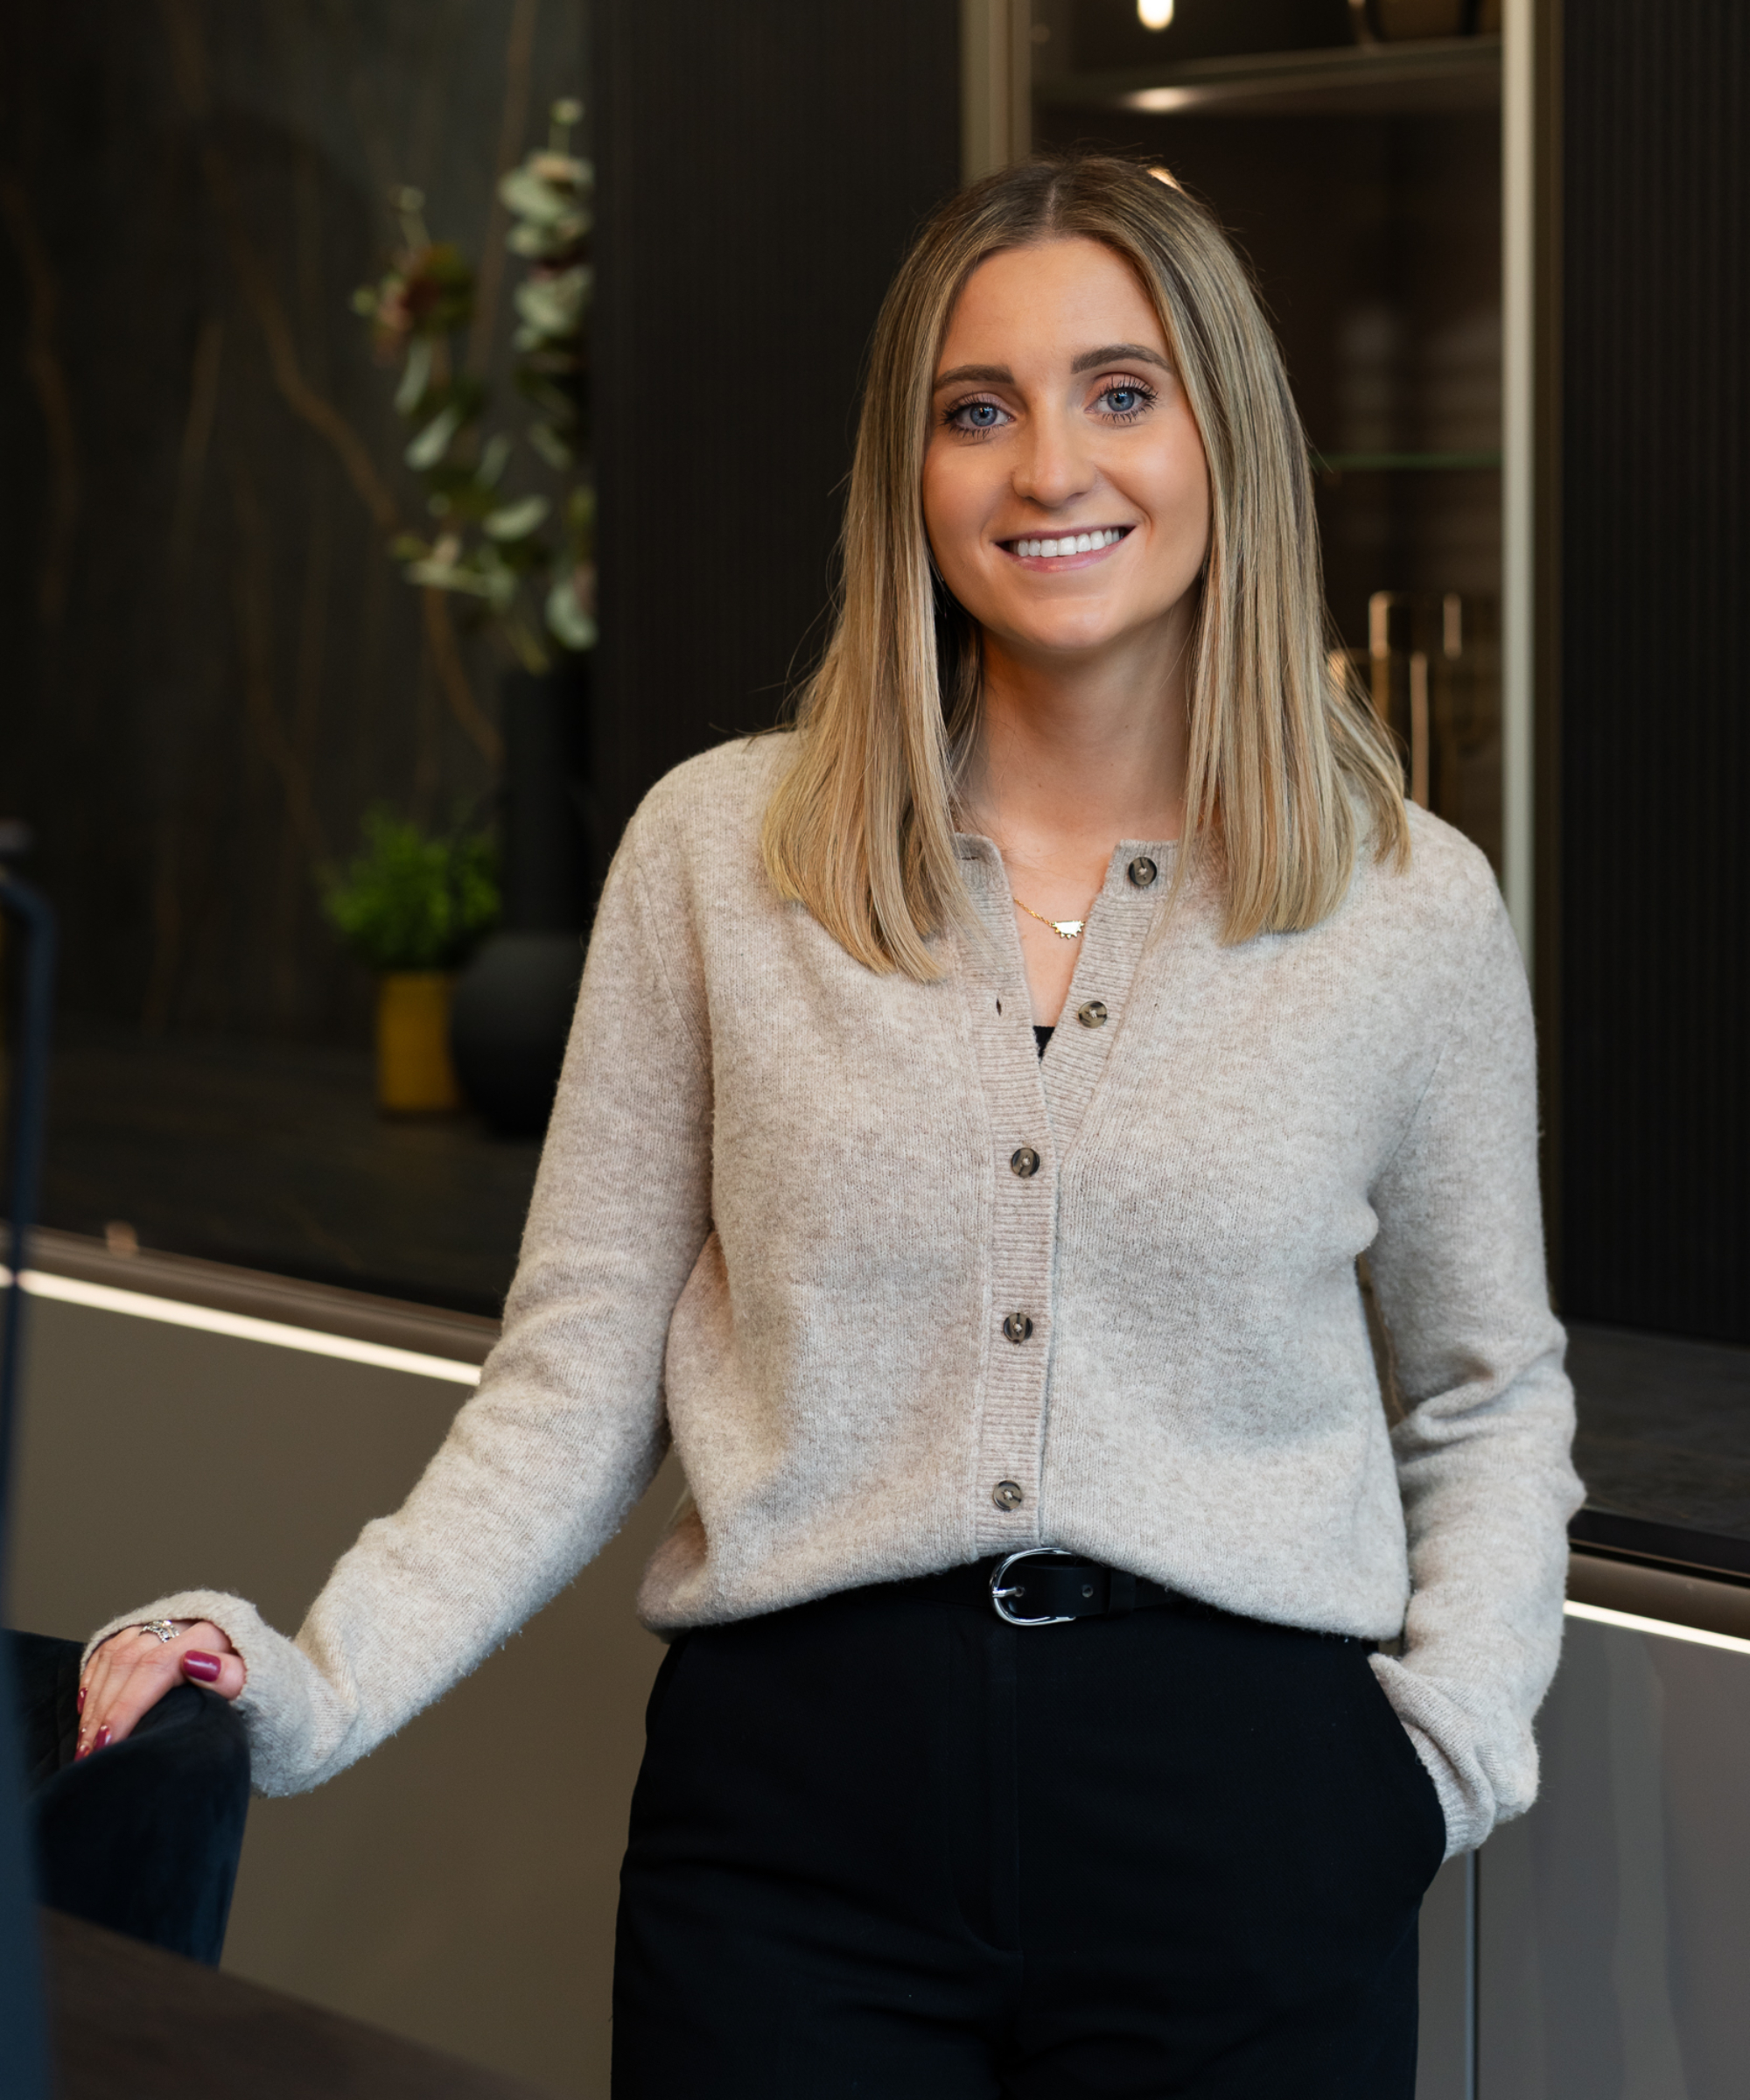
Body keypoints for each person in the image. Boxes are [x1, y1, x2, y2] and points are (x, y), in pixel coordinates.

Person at [77, 156, 1580, 2097]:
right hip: (791, 1853)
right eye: (979, 409)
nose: (1051, 467)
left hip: (1253, 1842)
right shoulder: (718, 853)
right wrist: (309, 1679)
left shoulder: (1404, 901)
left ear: (1228, 437)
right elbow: (573, 1380)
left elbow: (1484, 1395)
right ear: (909, 470)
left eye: (1121, 391)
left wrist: (1432, 1768)